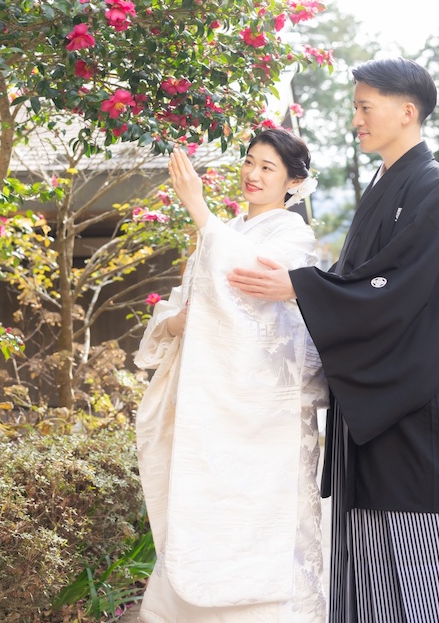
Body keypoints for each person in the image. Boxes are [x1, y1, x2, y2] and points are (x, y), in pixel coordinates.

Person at [228, 58, 439, 623]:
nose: (355, 118)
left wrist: (300, 288)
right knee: (373, 562)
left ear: (407, 111)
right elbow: (362, 283)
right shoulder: (386, 184)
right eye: (354, 106)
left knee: (437, 559)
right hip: (376, 403)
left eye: (364, 106)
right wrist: (304, 290)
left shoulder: (436, 188)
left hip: (418, 403)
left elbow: (395, 290)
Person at [134, 128, 329, 623]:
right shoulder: (227, 233)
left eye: (268, 167)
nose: (253, 174)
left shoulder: (293, 234)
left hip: (265, 414)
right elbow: (184, 308)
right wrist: (177, 321)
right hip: (213, 407)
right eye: (249, 162)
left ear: (293, 183)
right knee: (203, 516)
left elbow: (250, 291)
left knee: (262, 524)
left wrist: (201, 213)